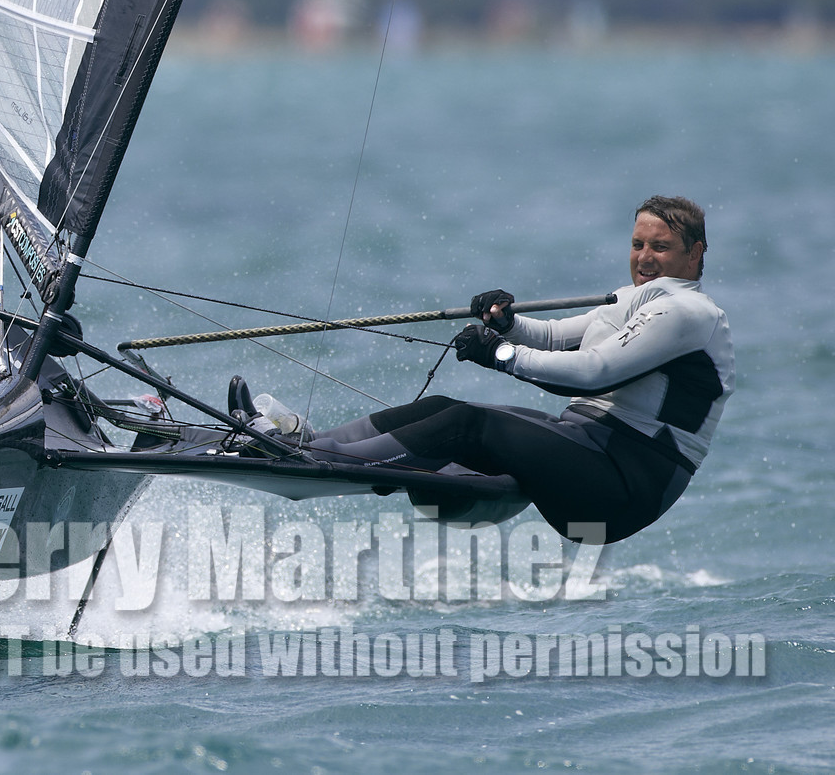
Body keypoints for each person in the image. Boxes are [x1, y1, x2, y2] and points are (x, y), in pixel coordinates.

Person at [233, 196, 734, 543]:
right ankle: (308, 444)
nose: (644, 257)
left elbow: (596, 372)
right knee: (444, 408)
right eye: (637, 244)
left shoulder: (690, 314)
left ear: (696, 253)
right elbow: (560, 339)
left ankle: (321, 460)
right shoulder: (637, 299)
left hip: (627, 481)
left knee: (469, 426)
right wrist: (508, 325)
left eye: (660, 247)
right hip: (590, 446)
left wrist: (498, 355)